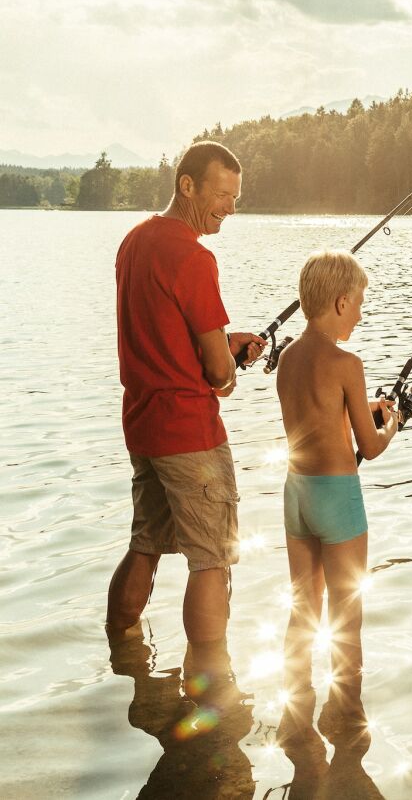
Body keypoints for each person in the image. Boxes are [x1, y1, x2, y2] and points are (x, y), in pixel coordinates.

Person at [107, 141, 266, 648]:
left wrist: (223, 344)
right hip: (189, 433)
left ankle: (120, 646)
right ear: (187, 186)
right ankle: (212, 683)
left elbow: (164, 330)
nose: (230, 207)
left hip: (143, 425)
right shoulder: (195, 258)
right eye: (222, 194)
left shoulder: (135, 241)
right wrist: (227, 371)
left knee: (146, 543)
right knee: (212, 559)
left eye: (236, 197)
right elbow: (217, 370)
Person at [273, 250, 403, 739]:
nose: (363, 312)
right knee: (347, 611)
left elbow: (318, 411)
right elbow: (367, 445)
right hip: (337, 497)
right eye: (361, 302)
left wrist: (361, 406)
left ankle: (295, 701)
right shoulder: (348, 361)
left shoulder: (287, 356)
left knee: (303, 604)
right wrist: (392, 422)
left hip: (297, 494)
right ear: (342, 301)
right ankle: (347, 716)